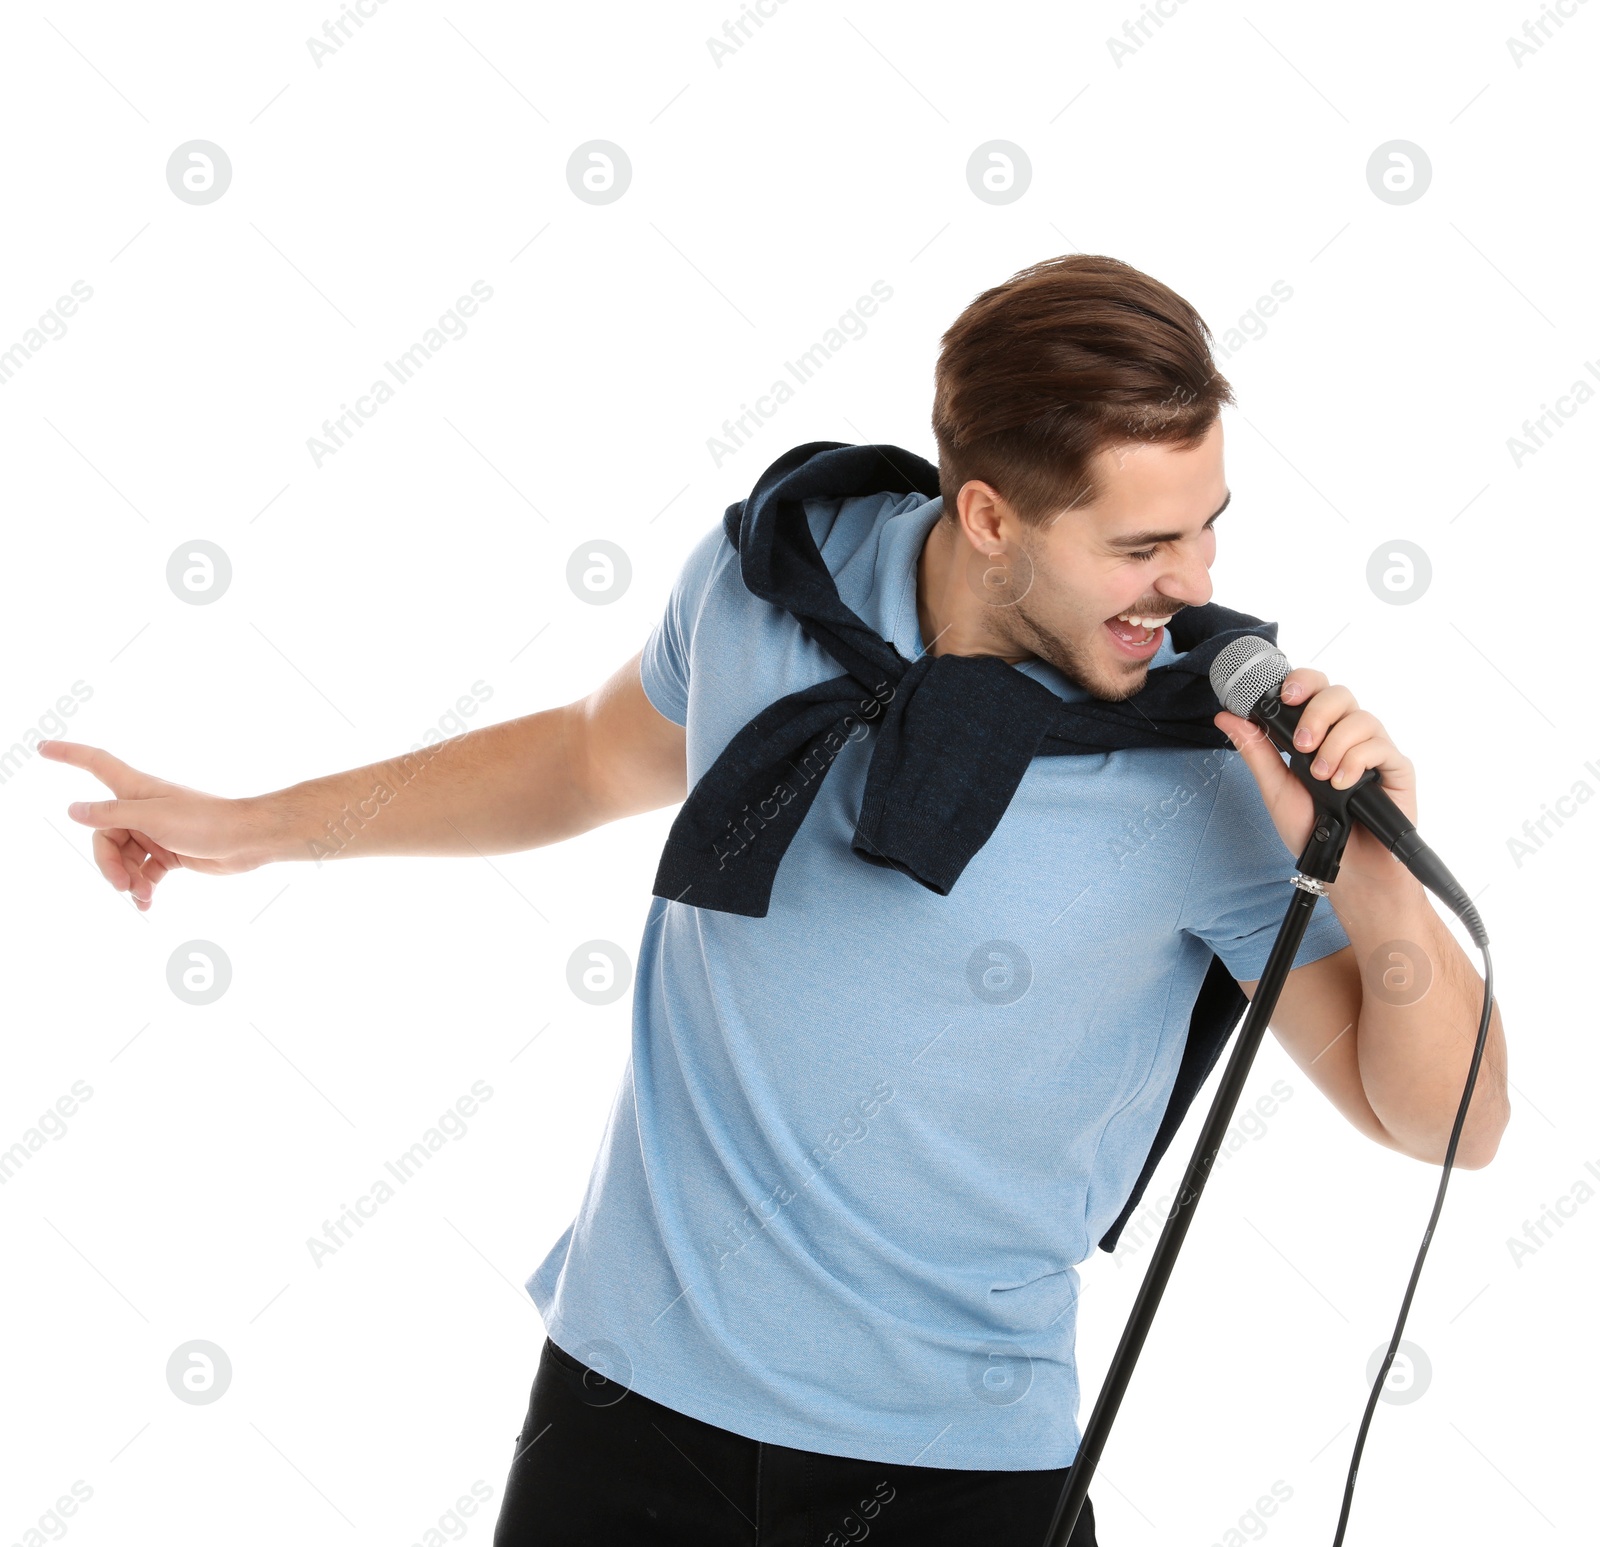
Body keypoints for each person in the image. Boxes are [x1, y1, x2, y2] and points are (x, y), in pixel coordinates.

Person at [43, 254, 1509, 1546]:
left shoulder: (1212, 770)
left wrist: (1373, 879)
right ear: (988, 515)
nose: (1193, 587)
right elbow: (578, 759)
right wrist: (254, 828)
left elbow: (1446, 1120)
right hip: (627, 1402)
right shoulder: (772, 585)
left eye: (1209, 529)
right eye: (1142, 547)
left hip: (952, 1470)